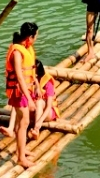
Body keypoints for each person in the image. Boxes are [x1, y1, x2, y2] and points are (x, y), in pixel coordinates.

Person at [5, 22, 39, 168]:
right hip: (19, 92)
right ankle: (21, 158)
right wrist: (30, 99)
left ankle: (22, 150)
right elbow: (19, 77)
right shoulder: (17, 52)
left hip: (25, 90)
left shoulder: (25, 48)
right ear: (30, 37)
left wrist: (35, 86)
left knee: (21, 123)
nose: (37, 39)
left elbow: (29, 72)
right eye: (36, 36)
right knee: (24, 123)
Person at [31, 60, 61, 135]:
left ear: (36, 75)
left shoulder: (48, 83)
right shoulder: (29, 80)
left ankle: (36, 130)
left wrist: (40, 121)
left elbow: (48, 106)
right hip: (34, 110)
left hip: (47, 113)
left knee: (39, 102)